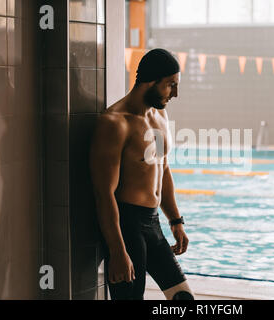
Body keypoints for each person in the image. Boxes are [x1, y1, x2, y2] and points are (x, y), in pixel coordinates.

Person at [89, 48, 193, 300]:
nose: (175, 94)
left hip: (153, 223)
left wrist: (176, 221)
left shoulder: (159, 116)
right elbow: (104, 194)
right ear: (150, 81)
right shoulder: (115, 123)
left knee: (183, 299)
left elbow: (162, 167)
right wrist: (117, 251)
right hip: (127, 227)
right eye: (170, 85)